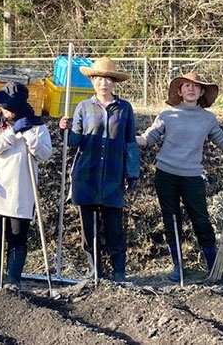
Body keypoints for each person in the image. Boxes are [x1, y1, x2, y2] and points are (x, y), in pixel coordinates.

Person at [136, 72, 223, 282]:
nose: (191, 89)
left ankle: (213, 266)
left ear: (202, 92)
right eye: (186, 85)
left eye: (195, 86)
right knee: (171, 220)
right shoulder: (167, 115)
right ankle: (178, 267)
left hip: (192, 176)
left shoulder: (208, 118)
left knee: (201, 220)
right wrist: (124, 137)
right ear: (179, 91)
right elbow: (147, 139)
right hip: (166, 174)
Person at [59, 57, 139, 282]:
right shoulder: (83, 107)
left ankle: (119, 272)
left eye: (108, 79)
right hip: (86, 175)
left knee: (114, 225)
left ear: (114, 82)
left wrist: (132, 172)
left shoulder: (124, 108)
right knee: (89, 227)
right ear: (92, 80)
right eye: (99, 79)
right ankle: (95, 270)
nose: (103, 83)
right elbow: (74, 141)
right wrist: (64, 129)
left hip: (113, 175)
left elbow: (130, 141)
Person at [0, 82, 53, 288]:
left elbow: (45, 154)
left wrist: (29, 135)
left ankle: (13, 283)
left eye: (7, 106)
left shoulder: (37, 125)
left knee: (17, 237)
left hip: (22, 190)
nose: (3, 109)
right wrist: (12, 133)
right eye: (2, 106)